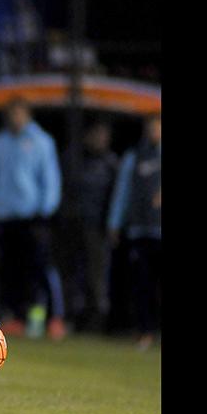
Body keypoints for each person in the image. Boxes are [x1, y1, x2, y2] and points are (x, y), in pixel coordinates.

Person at [0, 97, 65, 339]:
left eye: (18, 113)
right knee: (10, 270)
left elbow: (49, 177)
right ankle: (16, 316)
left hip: (33, 215)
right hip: (5, 216)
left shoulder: (41, 142)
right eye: (11, 114)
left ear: (27, 114)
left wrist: (46, 207)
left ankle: (54, 317)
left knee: (42, 268)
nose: (14, 118)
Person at [58, 120, 119, 332]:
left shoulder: (111, 163)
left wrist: (112, 224)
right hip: (72, 225)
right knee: (70, 274)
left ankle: (97, 323)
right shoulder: (73, 159)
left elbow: (116, 197)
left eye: (104, 135)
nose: (100, 139)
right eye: (96, 134)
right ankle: (70, 318)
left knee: (97, 277)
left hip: (98, 227)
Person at [107, 114, 161, 350]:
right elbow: (122, 192)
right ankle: (145, 331)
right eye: (150, 127)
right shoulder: (134, 156)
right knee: (142, 284)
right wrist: (115, 223)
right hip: (140, 229)